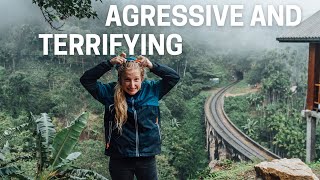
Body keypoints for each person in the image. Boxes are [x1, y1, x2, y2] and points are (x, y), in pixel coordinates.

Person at [80, 54, 180, 180]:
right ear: (120, 79)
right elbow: (86, 79)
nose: (132, 85)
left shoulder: (152, 90)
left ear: (142, 78)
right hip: (120, 159)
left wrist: (152, 66)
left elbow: (174, 77)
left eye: (136, 79)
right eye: (127, 79)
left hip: (147, 158)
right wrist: (109, 63)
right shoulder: (109, 93)